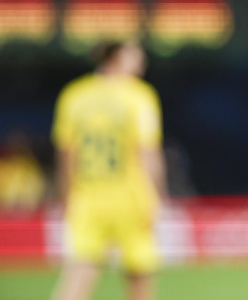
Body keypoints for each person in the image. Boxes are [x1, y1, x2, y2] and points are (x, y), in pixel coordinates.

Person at [50, 41, 166, 300]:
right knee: (139, 277)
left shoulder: (74, 95)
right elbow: (148, 153)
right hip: (132, 198)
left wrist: (66, 196)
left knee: (79, 273)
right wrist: (158, 197)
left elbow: (66, 154)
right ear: (115, 58)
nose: (142, 62)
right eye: (136, 55)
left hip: (86, 199)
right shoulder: (139, 96)